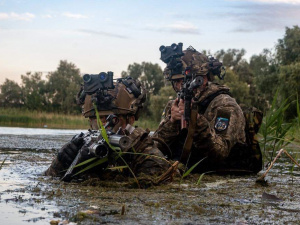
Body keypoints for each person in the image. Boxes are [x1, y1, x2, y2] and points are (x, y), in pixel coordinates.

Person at [153, 45, 262, 173]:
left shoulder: (225, 105)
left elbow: (220, 152)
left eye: (184, 81)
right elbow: (155, 148)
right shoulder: (174, 106)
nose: (179, 86)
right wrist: (171, 122)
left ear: (203, 79)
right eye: (176, 82)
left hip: (223, 178)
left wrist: (196, 120)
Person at [45, 77, 173, 183]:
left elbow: (145, 193)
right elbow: (47, 181)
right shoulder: (85, 147)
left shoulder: (146, 155)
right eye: (98, 118)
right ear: (90, 121)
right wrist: (60, 163)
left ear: (131, 120)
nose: (104, 125)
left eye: (113, 119)